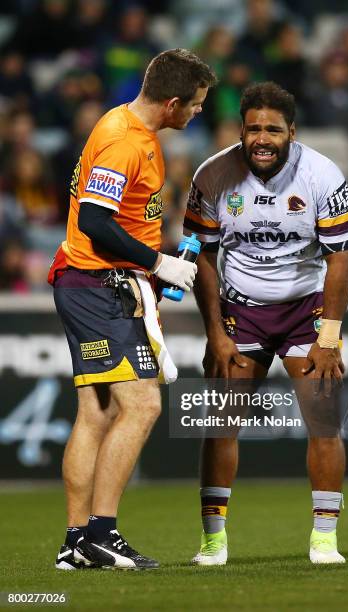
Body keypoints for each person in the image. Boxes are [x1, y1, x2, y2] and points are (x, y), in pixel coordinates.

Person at [51, 48, 216, 571]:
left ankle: (77, 543)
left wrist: (150, 265)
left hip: (93, 280)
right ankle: (102, 534)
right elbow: (97, 222)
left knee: (97, 412)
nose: (196, 114)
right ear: (171, 103)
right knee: (142, 404)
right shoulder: (126, 142)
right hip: (98, 285)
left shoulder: (122, 124)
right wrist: (158, 263)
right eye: (194, 105)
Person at [183, 82, 348, 566]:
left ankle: (324, 539)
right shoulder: (212, 174)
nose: (262, 138)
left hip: (306, 309)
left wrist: (330, 336)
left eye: (272, 130)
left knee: (324, 422)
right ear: (240, 130)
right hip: (242, 309)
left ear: (291, 132)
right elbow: (201, 255)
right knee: (220, 425)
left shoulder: (323, 175)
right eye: (253, 128)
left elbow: (341, 257)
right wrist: (215, 331)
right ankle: (213, 541)